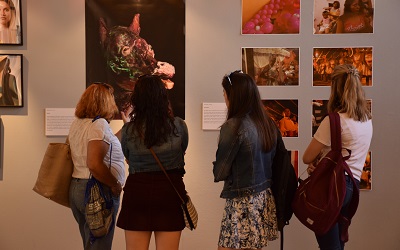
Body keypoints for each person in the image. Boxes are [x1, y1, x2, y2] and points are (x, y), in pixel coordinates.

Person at [303, 64, 373, 250]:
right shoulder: (366, 119)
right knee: (337, 244)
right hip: (352, 188)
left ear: (335, 89)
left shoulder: (333, 120)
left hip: (332, 188)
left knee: (329, 246)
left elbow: (307, 157)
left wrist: (315, 163)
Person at [117, 75, 189, 250]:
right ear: (163, 97)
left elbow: (127, 156)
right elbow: (182, 150)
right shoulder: (179, 126)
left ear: (137, 99)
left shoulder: (128, 130)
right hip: (169, 191)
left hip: (137, 192)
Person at [213, 70, 279, 250]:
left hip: (241, 201)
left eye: (225, 94)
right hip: (262, 197)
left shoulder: (233, 126)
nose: (224, 98)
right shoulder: (267, 123)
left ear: (233, 96)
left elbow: (219, 172)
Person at [68, 83, 129, 250]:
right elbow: (94, 164)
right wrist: (114, 185)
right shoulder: (99, 124)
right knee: (100, 245)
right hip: (96, 189)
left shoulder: (80, 123)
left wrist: (126, 126)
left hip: (78, 188)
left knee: (90, 243)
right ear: (104, 102)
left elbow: (108, 143)